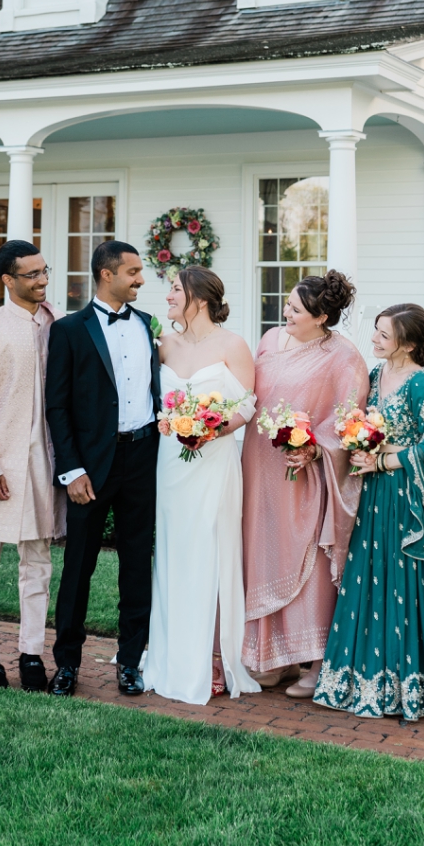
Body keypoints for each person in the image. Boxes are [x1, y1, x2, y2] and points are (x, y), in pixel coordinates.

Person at [314, 304, 424, 721]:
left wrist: (385, 461)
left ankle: (419, 684)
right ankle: (367, 680)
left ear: (407, 343)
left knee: (408, 582)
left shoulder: (423, 385)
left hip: (407, 503)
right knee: (371, 578)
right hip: (373, 499)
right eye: (375, 332)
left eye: (383, 335)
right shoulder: (373, 376)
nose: (374, 340)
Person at [240, 271, 368, 699]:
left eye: (296, 309)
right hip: (258, 467)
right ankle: (270, 660)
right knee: (261, 550)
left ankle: (315, 661)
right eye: (288, 304)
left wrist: (314, 449)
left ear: (322, 316)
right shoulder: (269, 340)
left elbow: (349, 415)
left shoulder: (343, 357)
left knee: (305, 557)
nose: (286, 313)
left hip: (304, 472)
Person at [45, 241, 161, 698]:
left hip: (142, 459)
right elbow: (57, 405)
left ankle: (130, 661)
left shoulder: (148, 325)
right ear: (106, 274)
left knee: (137, 564)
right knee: (78, 566)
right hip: (90, 466)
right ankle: (67, 664)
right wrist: (71, 470)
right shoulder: (70, 330)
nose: (140, 279)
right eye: (132, 271)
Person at [140, 267, 260, 705]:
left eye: (175, 289)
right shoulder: (162, 345)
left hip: (214, 463)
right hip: (171, 464)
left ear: (201, 299)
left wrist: (213, 430)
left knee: (213, 554)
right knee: (174, 554)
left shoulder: (233, 344)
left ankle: (214, 656)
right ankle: (170, 655)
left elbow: (248, 403)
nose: (168, 295)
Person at [0, 239, 62, 693]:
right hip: (0, 464)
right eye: (32, 274)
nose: (43, 280)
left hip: (45, 461)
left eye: (45, 271)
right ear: (8, 280)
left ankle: (30, 654)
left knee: (38, 563)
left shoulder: (57, 323)